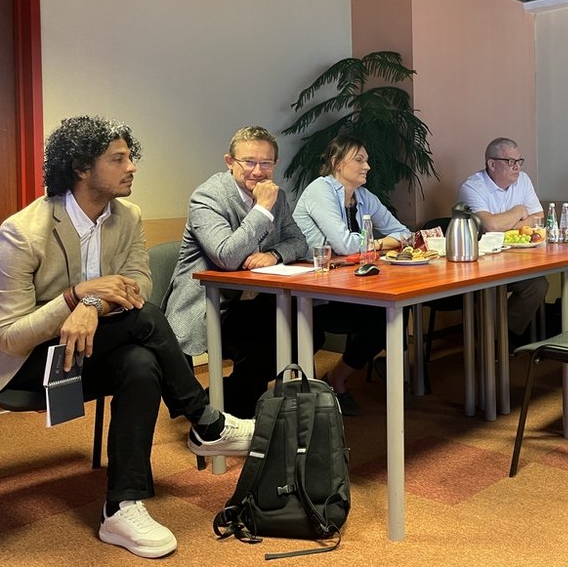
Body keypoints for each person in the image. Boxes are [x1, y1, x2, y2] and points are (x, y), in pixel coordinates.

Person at [0, 116, 254, 559]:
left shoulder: (126, 216)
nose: (133, 167)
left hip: (90, 345)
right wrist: (75, 297)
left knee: (140, 363)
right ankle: (204, 421)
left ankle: (121, 506)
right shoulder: (23, 230)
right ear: (81, 168)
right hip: (26, 360)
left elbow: (138, 287)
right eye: (119, 159)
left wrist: (90, 306)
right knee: (145, 322)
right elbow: (10, 336)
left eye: (131, 157)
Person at [164, 126, 308, 418]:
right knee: (263, 342)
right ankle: (227, 411)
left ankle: (228, 400)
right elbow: (228, 256)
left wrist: (274, 254)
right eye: (249, 162)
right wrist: (262, 209)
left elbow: (299, 242)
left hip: (256, 300)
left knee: (307, 329)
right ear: (230, 162)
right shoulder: (207, 197)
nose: (258, 171)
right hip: (210, 305)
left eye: (266, 163)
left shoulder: (277, 196)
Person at [293, 133, 411, 414]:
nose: (367, 166)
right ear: (336, 162)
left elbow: (403, 232)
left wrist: (376, 245)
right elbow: (343, 245)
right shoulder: (320, 191)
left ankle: (337, 379)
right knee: (384, 313)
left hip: (348, 283)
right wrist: (381, 244)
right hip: (311, 293)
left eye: (367, 160)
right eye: (359, 159)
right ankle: (311, 396)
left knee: (394, 312)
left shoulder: (363, 196)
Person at [457, 137, 549, 346]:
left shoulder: (523, 180)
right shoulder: (472, 187)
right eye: (510, 162)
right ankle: (489, 343)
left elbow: (539, 217)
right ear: (492, 164)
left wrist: (506, 222)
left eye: (519, 161)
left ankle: (502, 337)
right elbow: (489, 226)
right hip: (480, 264)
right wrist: (518, 212)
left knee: (538, 284)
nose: (517, 167)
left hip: (516, 259)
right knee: (491, 289)